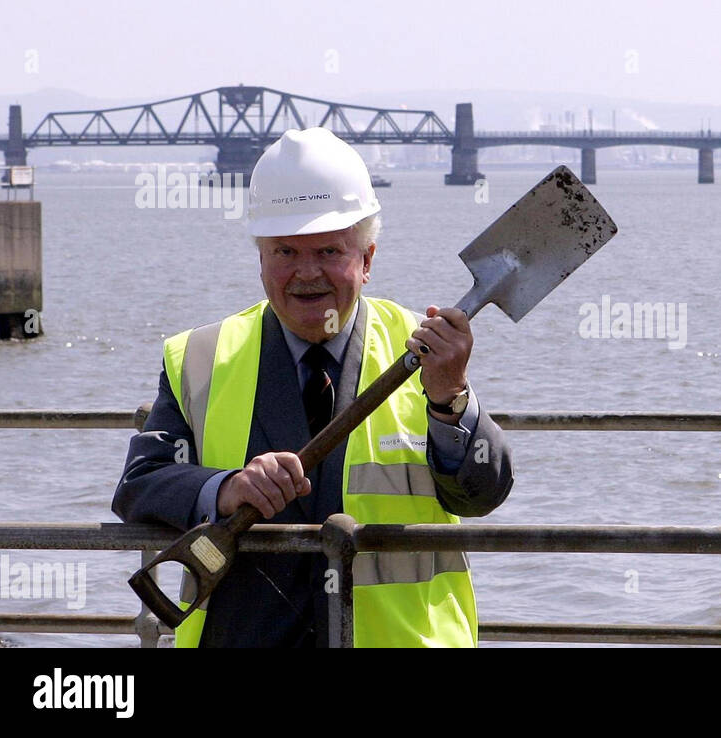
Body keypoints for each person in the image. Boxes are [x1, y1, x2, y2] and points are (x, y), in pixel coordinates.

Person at [113, 127, 513, 647]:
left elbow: (484, 494)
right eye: (284, 252)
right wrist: (227, 489)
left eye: (328, 251)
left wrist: (450, 401)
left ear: (366, 260)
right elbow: (139, 485)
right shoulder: (201, 357)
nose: (306, 273)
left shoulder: (427, 353)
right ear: (260, 259)